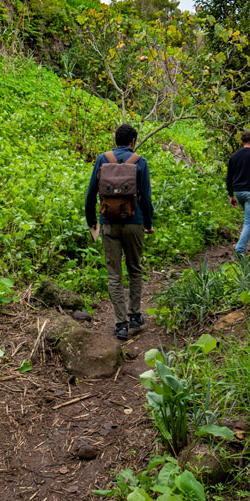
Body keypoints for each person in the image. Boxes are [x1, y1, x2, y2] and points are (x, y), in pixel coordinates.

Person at [85, 124, 154, 340]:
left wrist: (92, 222)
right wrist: (148, 223)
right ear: (133, 140)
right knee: (135, 269)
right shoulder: (140, 161)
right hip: (135, 223)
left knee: (114, 274)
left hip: (108, 222)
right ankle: (134, 316)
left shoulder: (102, 159)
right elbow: (146, 198)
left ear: (116, 140)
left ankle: (120, 324)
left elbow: (90, 195)